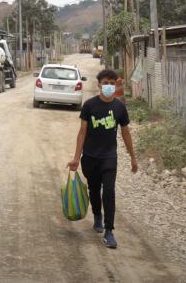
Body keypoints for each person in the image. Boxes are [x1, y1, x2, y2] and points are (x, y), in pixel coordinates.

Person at [67, 69, 138, 249]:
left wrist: (133, 157)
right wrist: (76, 158)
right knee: (94, 190)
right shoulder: (89, 106)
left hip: (109, 157)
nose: (109, 86)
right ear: (99, 84)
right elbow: (82, 132)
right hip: (90, 157)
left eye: (112, 83)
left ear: (116, 84)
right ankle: (97, 214)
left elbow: (126, 133)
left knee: (109, 191)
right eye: (105, 83)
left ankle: (109, 231)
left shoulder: (120, 108)